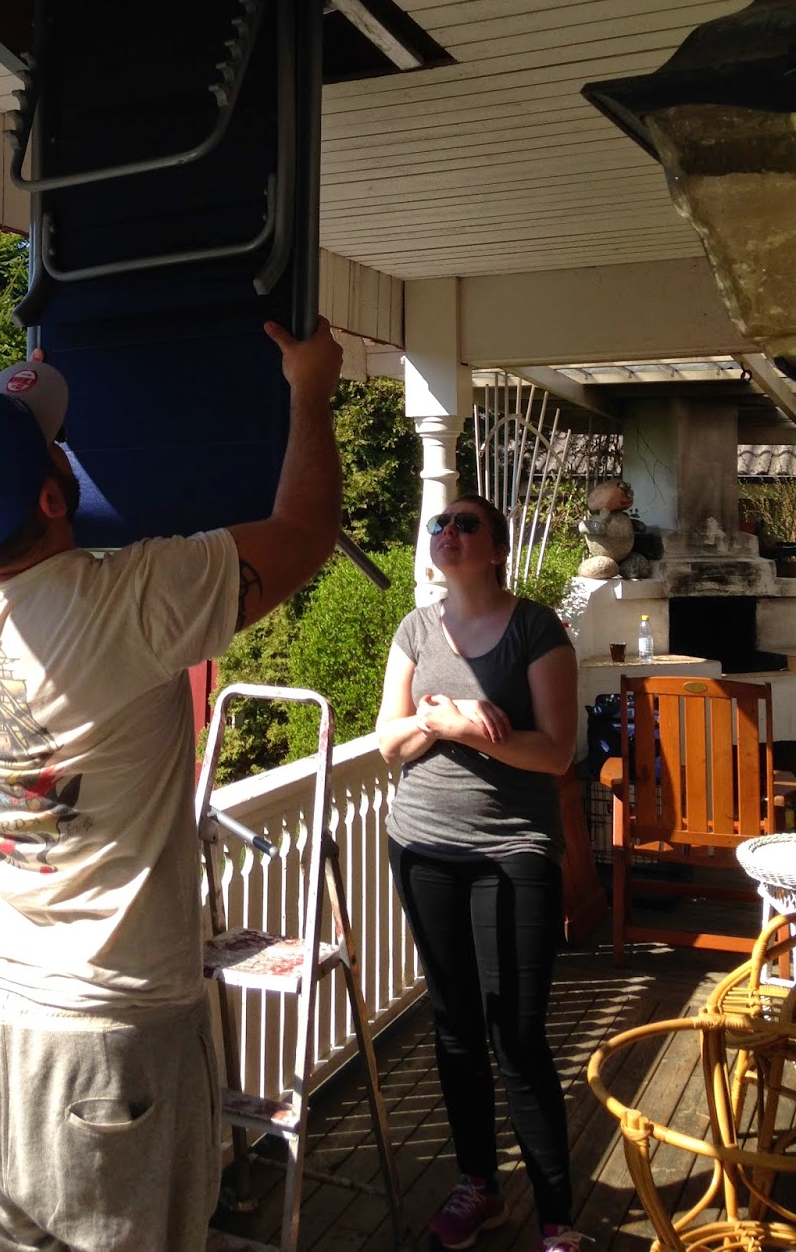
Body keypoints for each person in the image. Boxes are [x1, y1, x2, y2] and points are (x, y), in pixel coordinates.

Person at [0, 319, 343, 1252]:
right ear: (53, 496)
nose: (69, 453)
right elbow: (303, 535)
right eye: (56, 453)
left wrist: (26, 397)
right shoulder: (131, 604)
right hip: (102, 1037)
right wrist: (310, 387)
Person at [374, 494, 581, 1252]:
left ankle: (557, 1217)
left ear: (496, 549)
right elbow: (388, 743)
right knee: (456, 1025)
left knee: (517, 1034)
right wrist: (440, 719)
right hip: (423, 845)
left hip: (514, 850)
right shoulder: (414, 629)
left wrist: (470, 729)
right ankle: (479, 1187)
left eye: (467, 524)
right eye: (440, 524)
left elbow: (555, 753)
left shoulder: (536, 629)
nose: (448, 532)